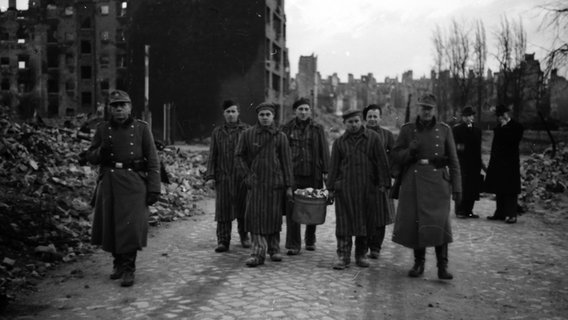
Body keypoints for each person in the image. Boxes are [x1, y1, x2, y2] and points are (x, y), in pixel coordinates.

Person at [80, 89, 161, 287]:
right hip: (109, 182)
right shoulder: (102, 129)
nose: (118, 109)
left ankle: (128, 268)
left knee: (130, 227)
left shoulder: (142, 128)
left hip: (134, 183)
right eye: (115, 106)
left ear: (130, 107)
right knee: (111, 225)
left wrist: (154, 188)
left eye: (122, 105)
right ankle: (117, 263)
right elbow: (89, 156)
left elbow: (153, 159)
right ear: (110, 109)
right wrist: (100, 152)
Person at [391, 93, 461, 280]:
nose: (427, 111)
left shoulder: (444, 130)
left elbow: (454, 161)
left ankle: (442, 267)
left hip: (438, 183)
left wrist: (457, 188)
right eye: (423, 107)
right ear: (418, 109)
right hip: (414, 181)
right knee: (417, 223)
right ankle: (418, 263)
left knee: (440, 223)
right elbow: (396, 156)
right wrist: (409, 151)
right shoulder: (407, 130)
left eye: (430, 108)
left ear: (434, 110)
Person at [326, 109, 391, 270]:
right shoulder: (340, 142)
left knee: (365, 223)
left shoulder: (373, 138)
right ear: (344, 124)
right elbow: (333, 167)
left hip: (367, 188)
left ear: (361, 121)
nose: (354, 125)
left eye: (356, 121)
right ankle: (343, 256)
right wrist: (331, 188)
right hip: (345, 190)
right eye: (350, 122)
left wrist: (384, 183)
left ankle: (361, 254)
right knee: (344, 224)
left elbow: (382, 161)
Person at [235, 102, 294, 267]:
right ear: (257, 116)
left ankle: (274, 249)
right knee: (255, 217)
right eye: (262, 115)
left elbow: (286, 162)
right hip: (255, 184)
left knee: (274, 217)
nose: (265, 118)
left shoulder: (280, 137)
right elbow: (238, 156)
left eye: (268, 114)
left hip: (275, 184)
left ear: (273, 116)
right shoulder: (247, 135)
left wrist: (289, 186)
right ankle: (257, 253)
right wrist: (247, 176)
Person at [281, 98, 330, 255]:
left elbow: (324, 151)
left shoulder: (317, 128)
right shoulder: (287, 128)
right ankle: (294, 244)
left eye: (306, 109)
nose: (303, 112)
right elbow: (282, 151)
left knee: (312, 206)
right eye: (300, 109)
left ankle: (310, 238)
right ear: (295, 111)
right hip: (293, 174)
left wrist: (326, 172)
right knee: (292, 209)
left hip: (313, 173)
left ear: (310, 111)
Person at [205, 100, 251, 252]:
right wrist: (210, 176)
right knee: (223, 210)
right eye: (228, 112)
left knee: (243, 208)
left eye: (233, 111)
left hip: (242, 176)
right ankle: (223, 241)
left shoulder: (246, 130)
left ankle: (245, 236)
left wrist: (250, 175)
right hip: (223, 176)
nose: (231, 115)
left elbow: (251, 155)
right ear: (223, 114)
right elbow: (213, 155)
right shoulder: (218, 132)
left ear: (238, 113)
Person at [363, 104, 395, 259]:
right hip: (363, 180)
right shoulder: (360, 134)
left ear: (380, 118)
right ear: (365, 119)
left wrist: (391, 173)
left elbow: (395, 155)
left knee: (381, 215)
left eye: (375, 116)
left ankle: (376, 247)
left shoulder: (387, 135)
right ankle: (364, 245)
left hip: (381, 180)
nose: (373, 119)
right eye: (370, 116)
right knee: (364, 214)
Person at [484, 105, 524, 224]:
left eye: (504, 114)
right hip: (499, 162)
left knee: (511, 190)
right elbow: (496, 146)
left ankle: (512, 214)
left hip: (510, 163)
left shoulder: (517, 127)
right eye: (500, 116)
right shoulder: (498, 128)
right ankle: (500, 213)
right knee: (499, 188)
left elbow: (513, 140)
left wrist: (505, 127)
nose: (502, 117)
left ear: (507, 114)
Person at [452, 106, 485, 219]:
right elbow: (455, 146)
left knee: (472, 187)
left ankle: (469, 210)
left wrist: (480, 163)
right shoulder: (456, 129)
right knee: (462, 186)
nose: (468, 118)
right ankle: (460, 210)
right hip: (462, 162)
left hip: (474, 163)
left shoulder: (477, 130)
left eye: (470, 116)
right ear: (462, 117)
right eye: (465, 116)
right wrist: (461, 148)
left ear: (473, 117)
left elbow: (478, 148)